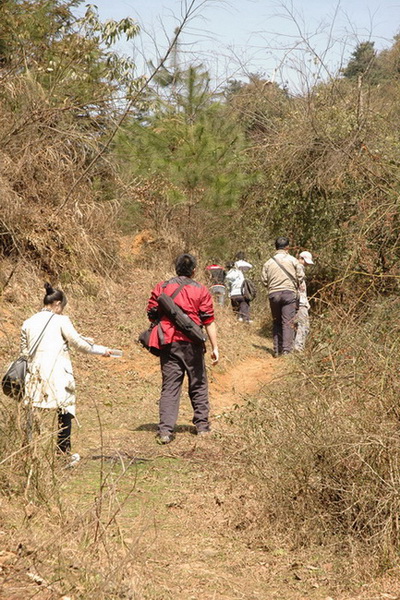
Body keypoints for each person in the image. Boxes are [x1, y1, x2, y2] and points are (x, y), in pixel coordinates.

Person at [21, 283, 110, 464]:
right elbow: (78, 344)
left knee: (32, 413)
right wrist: (101, 350)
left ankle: (29, 454)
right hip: (58, 375)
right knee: (65, 411)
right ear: (58, 304)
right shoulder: (61, 320)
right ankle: (63, 454)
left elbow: (24, 352)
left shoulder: (28, 322)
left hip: (35, 375)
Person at [146, 253, 219, 444]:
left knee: (170, 386)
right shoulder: (201, 290)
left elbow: (151, 312)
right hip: (192, 342)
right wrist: (215, 347)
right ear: (194, 271)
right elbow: (208, 320)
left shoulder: (162, 287)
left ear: (176, 268)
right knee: (198, 383)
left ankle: (165, 431)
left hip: (168, 342)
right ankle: (202, 426)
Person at [261, 237, 304, 356]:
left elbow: (264, 280)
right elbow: (300, 276)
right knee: (288, 322)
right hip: (289, 293)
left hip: (273, 294)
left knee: (276, 322)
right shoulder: (293, 260)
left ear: (276, 247)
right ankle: (286, 350)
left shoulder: (268, 263)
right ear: (287, 247)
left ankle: (276, 349)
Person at [293, 251, 314, 352]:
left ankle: (295, 346)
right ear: (301, 258)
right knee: (304, 326)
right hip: (300, 302)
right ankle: (298, 348)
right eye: (305, 261)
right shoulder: (298, 267)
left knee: (297, 325)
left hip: (299, 301)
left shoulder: (295, 267)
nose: (306, 264)